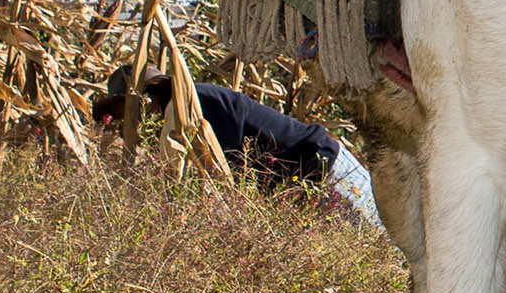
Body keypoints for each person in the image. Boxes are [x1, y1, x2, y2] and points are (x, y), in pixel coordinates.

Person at [90, 64, 381, 231]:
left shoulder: (196, 104)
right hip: (307, 182)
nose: (131, 122)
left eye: (127, 110)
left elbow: (225, 170)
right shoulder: (177, 116)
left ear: (146, 96)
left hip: (323, 171)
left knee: (382, 247)